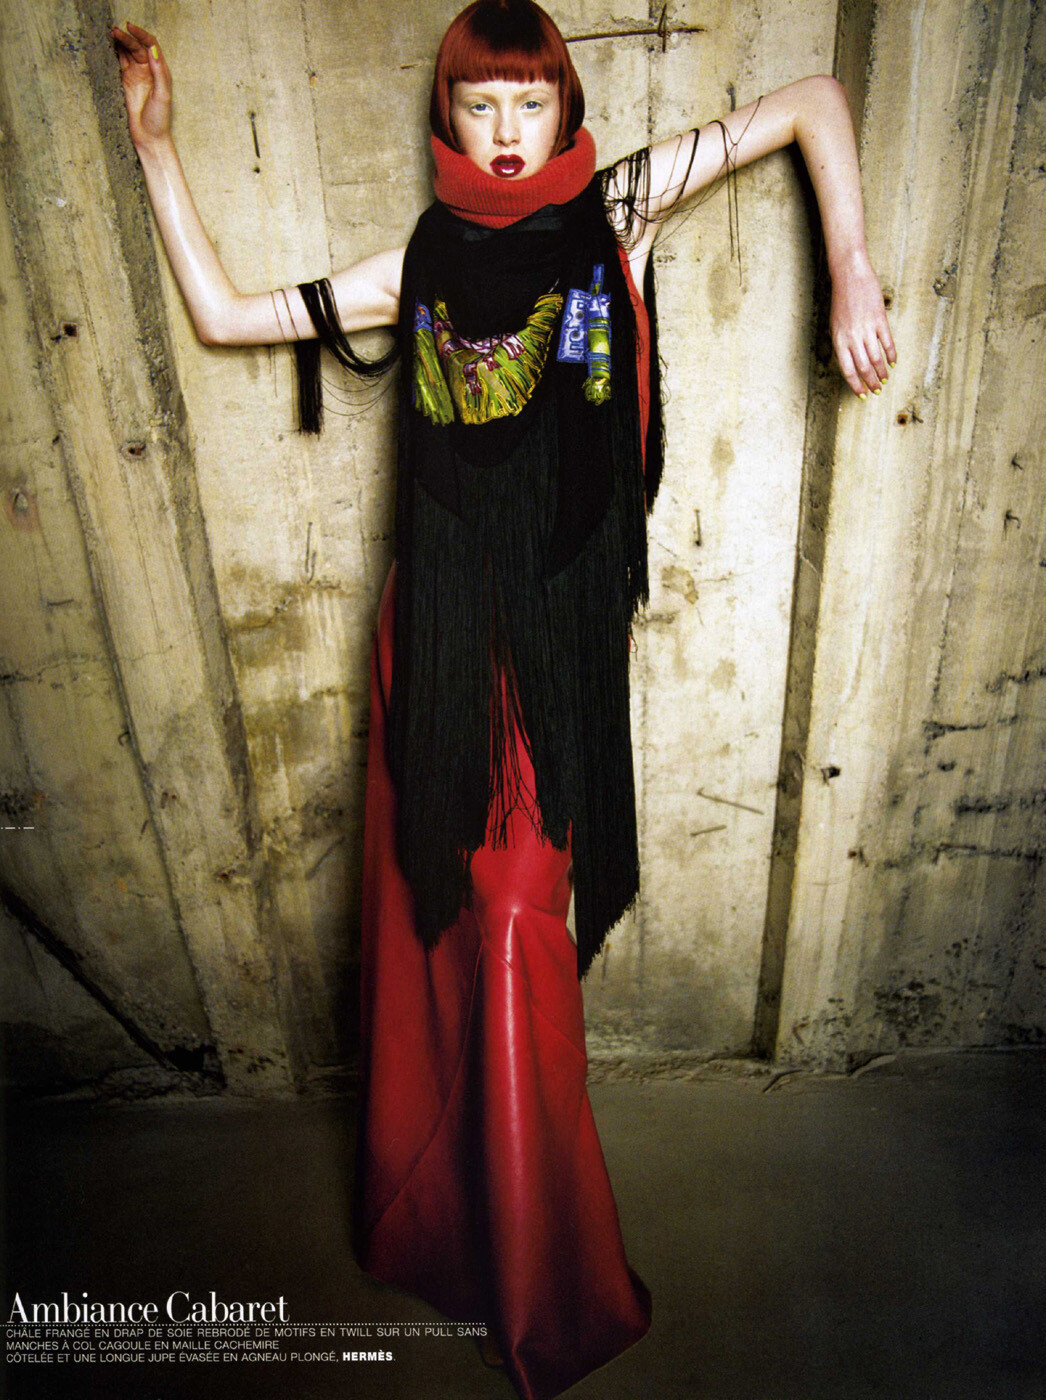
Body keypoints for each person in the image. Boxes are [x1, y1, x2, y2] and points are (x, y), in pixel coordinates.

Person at [112, 4, 895, 1397]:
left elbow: (815, 102)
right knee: (452, 930)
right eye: (480, 107)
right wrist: (159, 151)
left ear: (564, 108)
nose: (508, 133)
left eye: (530, 103)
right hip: (438, 646)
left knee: (519, 917)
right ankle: (450, 1222)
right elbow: (229, 317)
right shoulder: (416, 267)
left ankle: (545, 1281)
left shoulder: (616, 209)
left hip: (552, 653)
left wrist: (850, 270)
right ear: (449, 119)